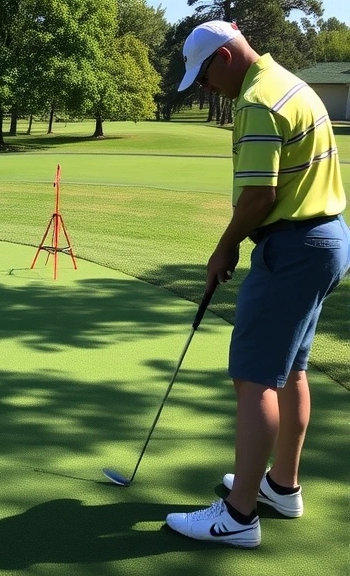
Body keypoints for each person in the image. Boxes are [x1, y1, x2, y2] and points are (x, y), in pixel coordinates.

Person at [164, 21, 350, 548]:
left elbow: (258, 197)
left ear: (225, 56)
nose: (206, 87)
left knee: (254, 378)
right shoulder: (289, 82)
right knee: (290, 369)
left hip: (292, 248)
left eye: (204, 76)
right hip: (326, 239)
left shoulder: (256, 101)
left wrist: (224, 247)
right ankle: (281, 486)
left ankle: (239, 515)